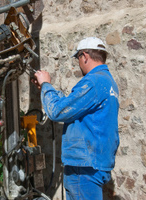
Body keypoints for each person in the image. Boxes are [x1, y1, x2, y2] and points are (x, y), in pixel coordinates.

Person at [33, 37, 119, 200]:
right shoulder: (108, 82)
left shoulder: (93, 82)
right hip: (96, 162)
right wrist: (47, 89)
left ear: (85, 56)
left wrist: (46, 85)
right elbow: (72, 106)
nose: (79, 63)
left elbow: (57, 112)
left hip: (84, 165)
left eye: (78, 58)